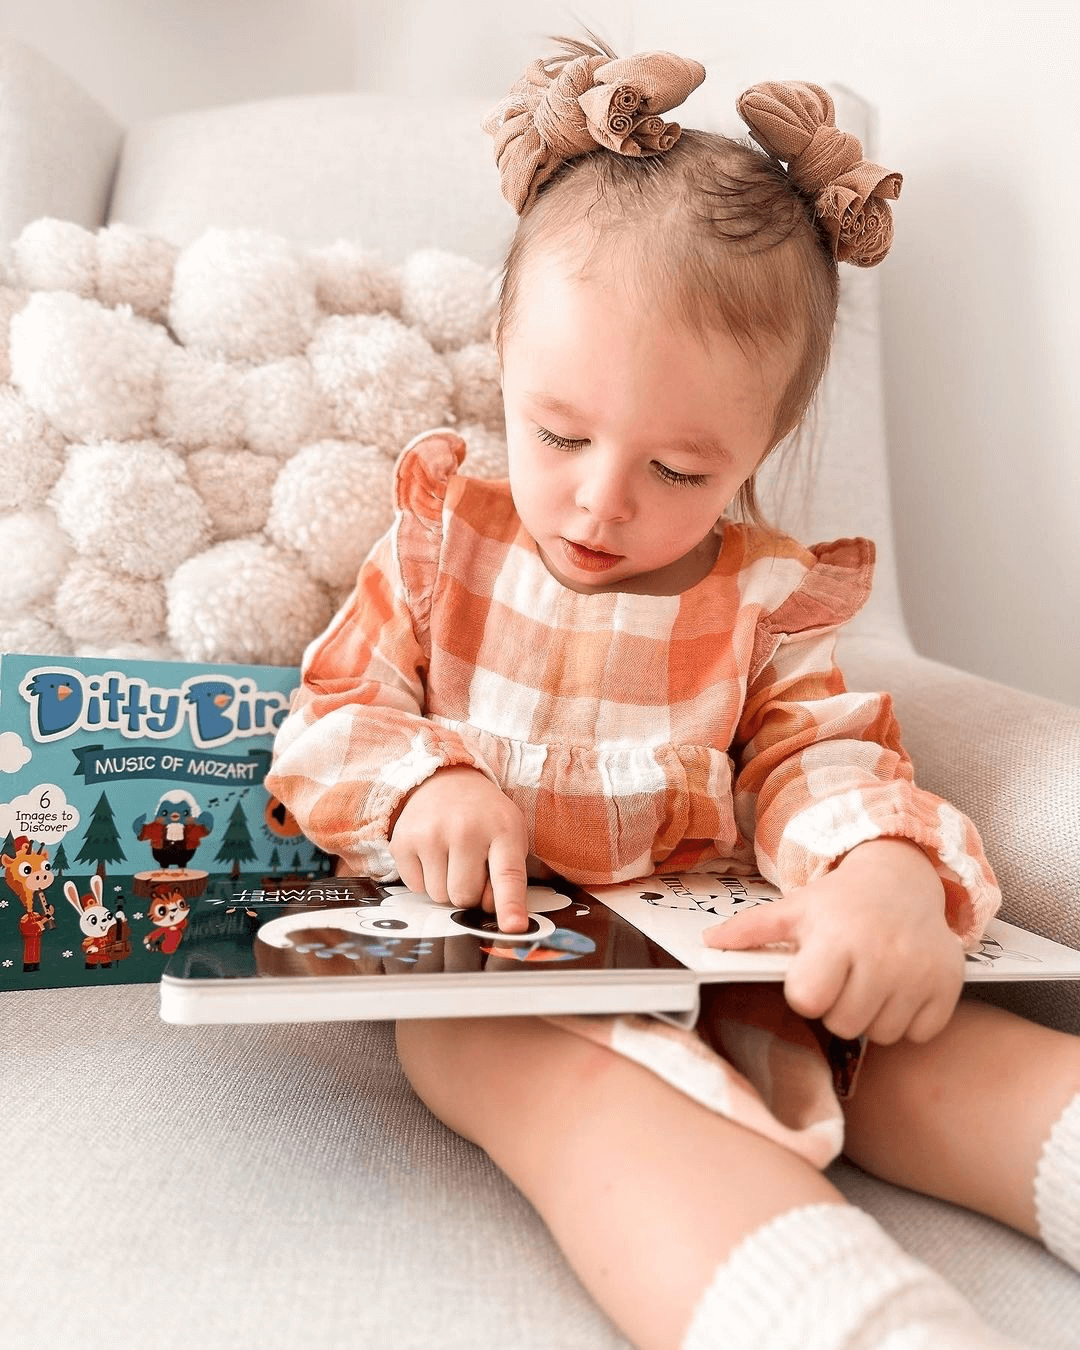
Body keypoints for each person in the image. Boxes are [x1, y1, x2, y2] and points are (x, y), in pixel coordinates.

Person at [265, 35, 1080, 1350]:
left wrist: (879, 875)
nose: (601, 500)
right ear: (506, 365)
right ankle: (852, 1319)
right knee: (588, 1101)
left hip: (722, 941)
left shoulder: (765, 594)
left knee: (918, 1037)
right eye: (563, 434)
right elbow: (331, 716)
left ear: (761, 449)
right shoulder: (441, 536)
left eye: (682, 470)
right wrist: (429, 777)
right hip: (493, 973)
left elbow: (818, 756)